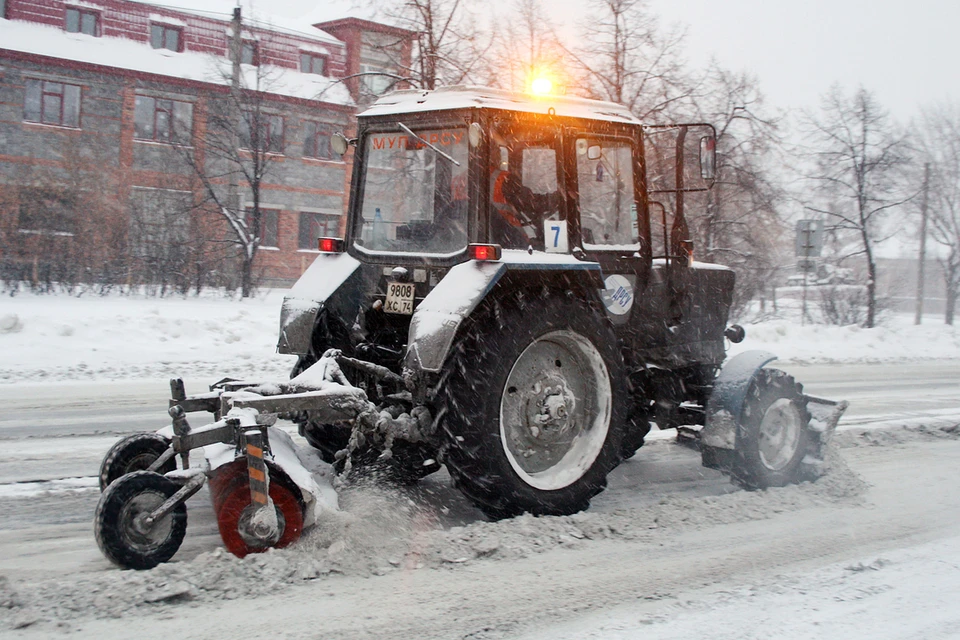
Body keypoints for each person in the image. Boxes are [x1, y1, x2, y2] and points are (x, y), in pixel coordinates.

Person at [489, 138, 559, 249]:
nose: (499, 155)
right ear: (490, 153)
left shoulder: (463, 179)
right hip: (507, 239)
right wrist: (557, 198)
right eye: (497, 151)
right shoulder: (503, 179)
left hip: (483, 238)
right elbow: (532, 204)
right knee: (540, 249)